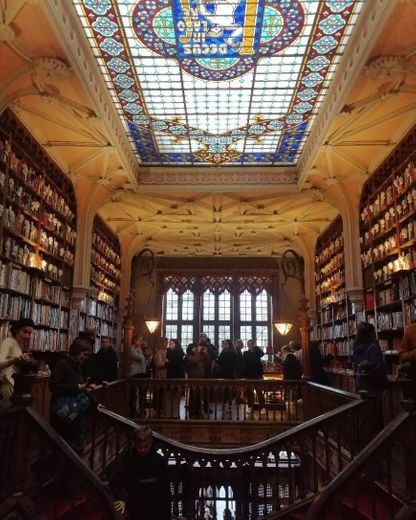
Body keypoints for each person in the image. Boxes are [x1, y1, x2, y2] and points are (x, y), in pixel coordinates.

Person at [111, 425, 170, 520]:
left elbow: (165, 492)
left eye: (146, 446)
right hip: (135, 510)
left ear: (151, 443)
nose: (143, 450)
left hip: (155, 511)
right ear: (134, 444)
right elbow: (118, 481)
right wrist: (123, 498)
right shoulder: (127, 460)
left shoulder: (159, 461)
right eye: (139, 447)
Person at [49, 338, 95, 455]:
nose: (86, 358)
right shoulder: (62, 364)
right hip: (63, 411)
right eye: (84, 354)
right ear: (77, 351)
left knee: (74, 445)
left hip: (74, 412)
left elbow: (79, 385)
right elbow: (54, 386)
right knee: (63, 446)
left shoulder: (77, 365)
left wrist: (95, 403)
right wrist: (76, 388)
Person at [0, 317, 34, 408]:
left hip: (14, 386)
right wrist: (14, 360)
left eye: (30, 333)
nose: (28, 336)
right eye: (25, 332)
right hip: (7, 387)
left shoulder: (17, 344)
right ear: (16, 330)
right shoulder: (8, 342)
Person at [353, 322, 388, 392]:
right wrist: (384, 384)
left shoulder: (356, 347)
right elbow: (378, 367)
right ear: (371, 333)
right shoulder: (373, 347)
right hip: (373, 383)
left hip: (360, 382)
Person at [242, 339, 266, 415]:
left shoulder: (257, 352)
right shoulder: (245, 353)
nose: (251, 345)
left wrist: (256, 347)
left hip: (258, 375)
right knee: (250, 393)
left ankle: (262, 408)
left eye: (252, 344)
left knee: (259, 392)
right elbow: (244, 364)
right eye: (249, 344)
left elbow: (262, 354)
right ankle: (250, 407)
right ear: (247, 345)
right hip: (249, 375)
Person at [165, 338, 185, 418]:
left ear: (176, 344)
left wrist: (168, 362)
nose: (170, 345)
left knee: (175, 395)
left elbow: (173, 364)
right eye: (169, 343)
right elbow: (168, 362)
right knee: (170, 395)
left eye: (172, 343)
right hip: (171, 376)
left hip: (176, 376)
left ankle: (174, 414)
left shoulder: (179, 353)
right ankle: (170, 414)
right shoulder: (169, 351)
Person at [185, 343, 205, 418]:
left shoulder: (197, 355)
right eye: (194, 348)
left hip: (199, 377)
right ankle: (192, 411)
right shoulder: (188, 356)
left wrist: (204, 352)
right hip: (193, 377)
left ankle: (198, 411)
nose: (196, 349)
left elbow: (205, 360)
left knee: (198, 395)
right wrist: (198, 352)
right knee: (194, 395)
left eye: (196, 348)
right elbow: (196, 361)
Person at [130, 335, 148, 417]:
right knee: (134, 393)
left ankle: (141, 409)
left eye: (141, 340)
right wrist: (143, 352)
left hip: (142, 373)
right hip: (135, 373)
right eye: (139, 340)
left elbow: (144, 360)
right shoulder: (132, 349)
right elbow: (139, 358)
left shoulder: (140, 349)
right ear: (135, 341)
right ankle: (134, 410)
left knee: (142, 392)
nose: (141, 342)